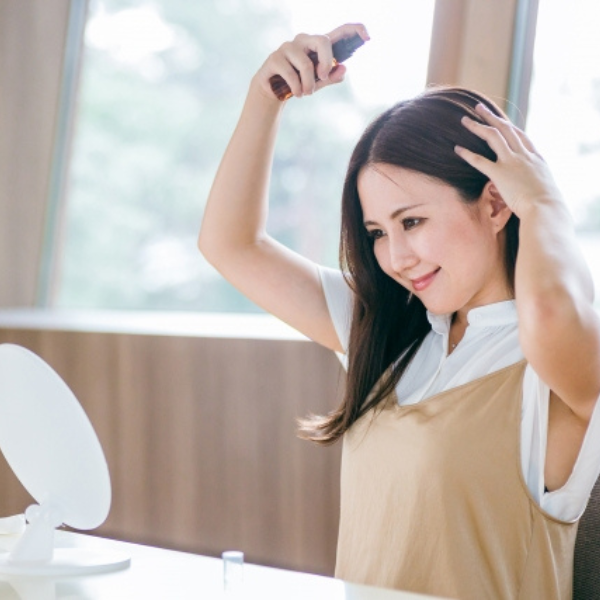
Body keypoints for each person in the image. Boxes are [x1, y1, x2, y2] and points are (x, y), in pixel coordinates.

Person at [198, 23, 600, 600]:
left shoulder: (556, 365)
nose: (395, 257)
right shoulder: (389, 333)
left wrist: (543, 201)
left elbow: (552, 312)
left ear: (494, 204)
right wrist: (266, 97)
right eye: (378, 232)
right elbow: (230, 244)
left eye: (412, 222)